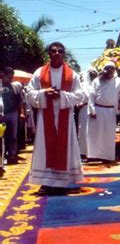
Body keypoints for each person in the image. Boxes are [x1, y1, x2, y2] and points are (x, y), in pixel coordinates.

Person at [25, 42, 85, 195]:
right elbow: (29, 93)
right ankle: (45, 183)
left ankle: (62, 182)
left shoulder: (72, 74)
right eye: (53, 51)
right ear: (49, 54)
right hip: (46, 117)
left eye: (60, 51)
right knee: (45, 148)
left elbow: (80, 95)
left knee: (65, 146)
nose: (57, 53)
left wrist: (62, 95)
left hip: (65, 116)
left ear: (63, 53)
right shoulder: (39, 73)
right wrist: (44, 93)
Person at [86, 61, 120, 163]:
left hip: (111, 111)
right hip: (97, 110)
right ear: (104, 69)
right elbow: (91, 96)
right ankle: (93, 155)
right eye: (108, 68)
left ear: (114, 70)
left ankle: (107, 157)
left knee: (108, 135)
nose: (109, 70)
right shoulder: (97, 80)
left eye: (112, 68)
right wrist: (92, 109)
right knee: (94, 134)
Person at [0, 67, 25, 164]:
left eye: (12, 77)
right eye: (9, 77)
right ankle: (3, 156)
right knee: (2, 136)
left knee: (13, 136)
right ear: (4, 75)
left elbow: (20, 101)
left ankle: (12, 155)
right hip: (2, 114)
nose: (11, 79)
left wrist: (22, 113)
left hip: (13, 114)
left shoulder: (15, 87)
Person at [77, 68, 98, 159]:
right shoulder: (83, 86)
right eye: (91, 74)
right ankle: (83, 152)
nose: (93, 75)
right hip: (85, 110)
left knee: (93, 131)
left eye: (94, 73)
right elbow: (79, 98)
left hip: (96, 110)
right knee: (83, 131)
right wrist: (79, 104)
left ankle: (93, 152)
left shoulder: (98, 85)